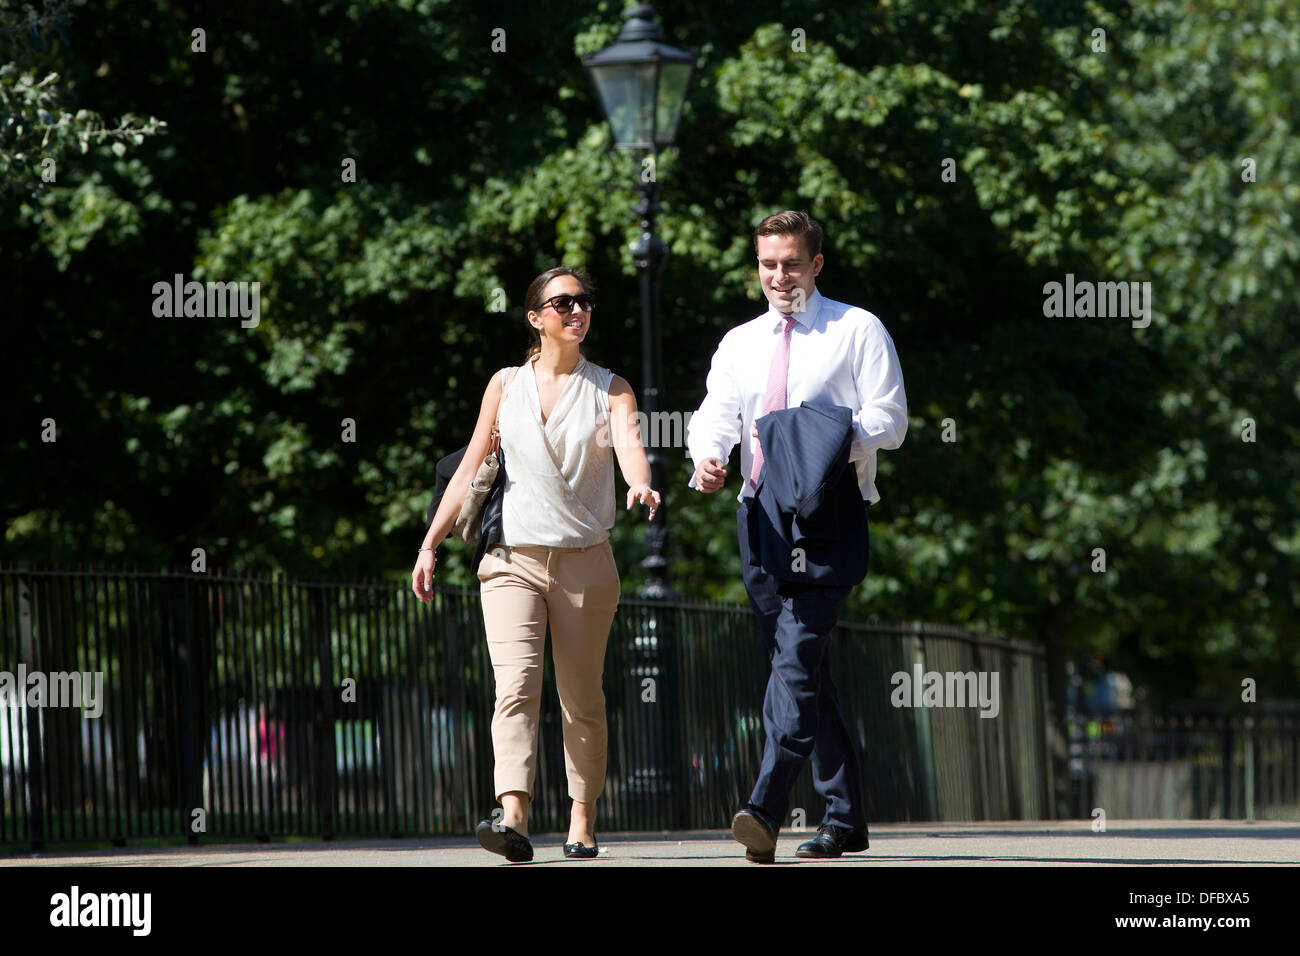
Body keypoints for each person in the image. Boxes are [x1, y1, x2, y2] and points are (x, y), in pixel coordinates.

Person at [412, 266, 660, 863]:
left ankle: (582, 817)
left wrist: (641, 485)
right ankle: (514, 812)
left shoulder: (611, 387)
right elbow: (471, 467)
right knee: (515, 686)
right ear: (536, 316)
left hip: (584, 563)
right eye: (564, 302)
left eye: (586, 301)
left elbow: (629, 444)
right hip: (511, 560)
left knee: (581, 698)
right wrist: (430, 543)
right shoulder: (504, 385)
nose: (578, 310)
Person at [687, 211, 908, 862]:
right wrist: (707, 457)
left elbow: (889, 419)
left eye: (790, 263)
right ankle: (846, 817)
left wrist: (821, 443)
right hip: (760, 519)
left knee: (793, 663)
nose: (778, 276)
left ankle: (766, 805)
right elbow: (715, 416)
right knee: (804, 668)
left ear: (816, 264)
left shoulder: (855, 329)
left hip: (827, 513)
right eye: (767, 264)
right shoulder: (741, 342)